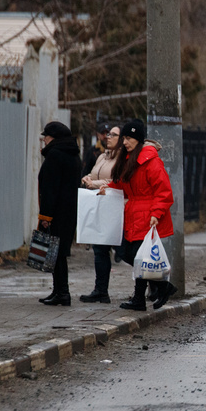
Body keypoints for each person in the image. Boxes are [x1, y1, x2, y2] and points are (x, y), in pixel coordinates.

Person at [108, 119, 177, 311]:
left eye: (129, 138)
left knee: (139, 256)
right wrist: (107, 188)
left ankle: (140, 298)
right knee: (127, 253)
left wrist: (156, 213)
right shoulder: (128, 159)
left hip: (147, 216)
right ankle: (162, 286)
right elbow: (122, 184)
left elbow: (164, 191)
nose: (125, 142)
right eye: (124, 138)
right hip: (133, 214)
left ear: (138, 139)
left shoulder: (151, 161)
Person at [37, 121, 83, 306]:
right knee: (59, 252)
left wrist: (45, 216)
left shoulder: (55, 155)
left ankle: (62, 292)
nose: (44, 140)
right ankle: (59, 291)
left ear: (53, 138)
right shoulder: (73, 155)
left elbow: (50, 189)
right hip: (69, 211)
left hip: (56, 212)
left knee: (56, 253)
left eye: (46, 136)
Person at [78, 123, 121, 303]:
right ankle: (101, 290)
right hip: (99, 205)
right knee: (99, 249)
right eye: (108, 134)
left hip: (115, 207)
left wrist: (93, 184)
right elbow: (95, 174)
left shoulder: (122, 158)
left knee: (124, 250)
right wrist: (87, 178)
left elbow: (116, 180)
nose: (108, 137)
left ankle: (156, 284)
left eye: (113, 135)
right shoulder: (102, 156)